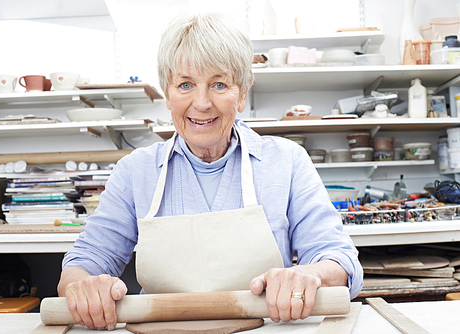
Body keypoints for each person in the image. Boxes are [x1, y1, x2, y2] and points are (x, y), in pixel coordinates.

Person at [57, 12, 363, 331]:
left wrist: (310, 275)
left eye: (219, 84)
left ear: (242, 93)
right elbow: (84, 264)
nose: (201, 103)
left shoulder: (287, 162)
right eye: (185, 84)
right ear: (167, 93)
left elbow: (339, 262)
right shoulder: (135, 172)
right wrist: (83, 286)